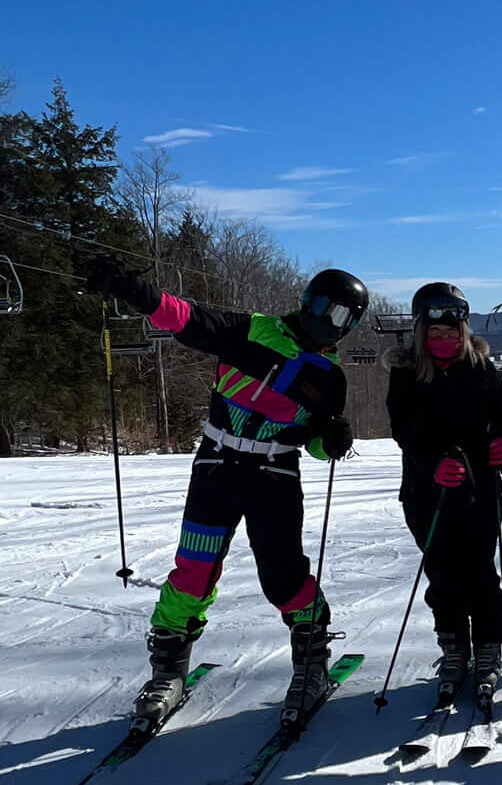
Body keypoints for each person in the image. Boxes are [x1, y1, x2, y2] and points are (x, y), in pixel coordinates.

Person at [87, 256, 368, 730]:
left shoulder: (327, 375)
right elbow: (186, 318)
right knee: (193, 570)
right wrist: (134, 291)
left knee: (281, 576)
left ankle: (311, 655)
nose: (333, 324)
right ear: (310, 302)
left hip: (275, 475)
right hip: (217, 466)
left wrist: (333, 441)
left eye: (346, 319)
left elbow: (318, 442)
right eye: (329, 310)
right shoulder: (251, 330)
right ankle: (168, 669)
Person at [386, 283, 502, 708]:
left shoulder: (481, 367)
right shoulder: (405, 373)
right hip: (427, 491)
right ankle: (454, 646)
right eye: (435, 333)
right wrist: (431, 462)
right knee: (442, 571)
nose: (443, 340)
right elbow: (403, 429)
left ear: (463, 331)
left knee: (480, 571)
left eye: (451, 332)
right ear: (420, 331)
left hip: (479, 488)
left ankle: (488, 649)